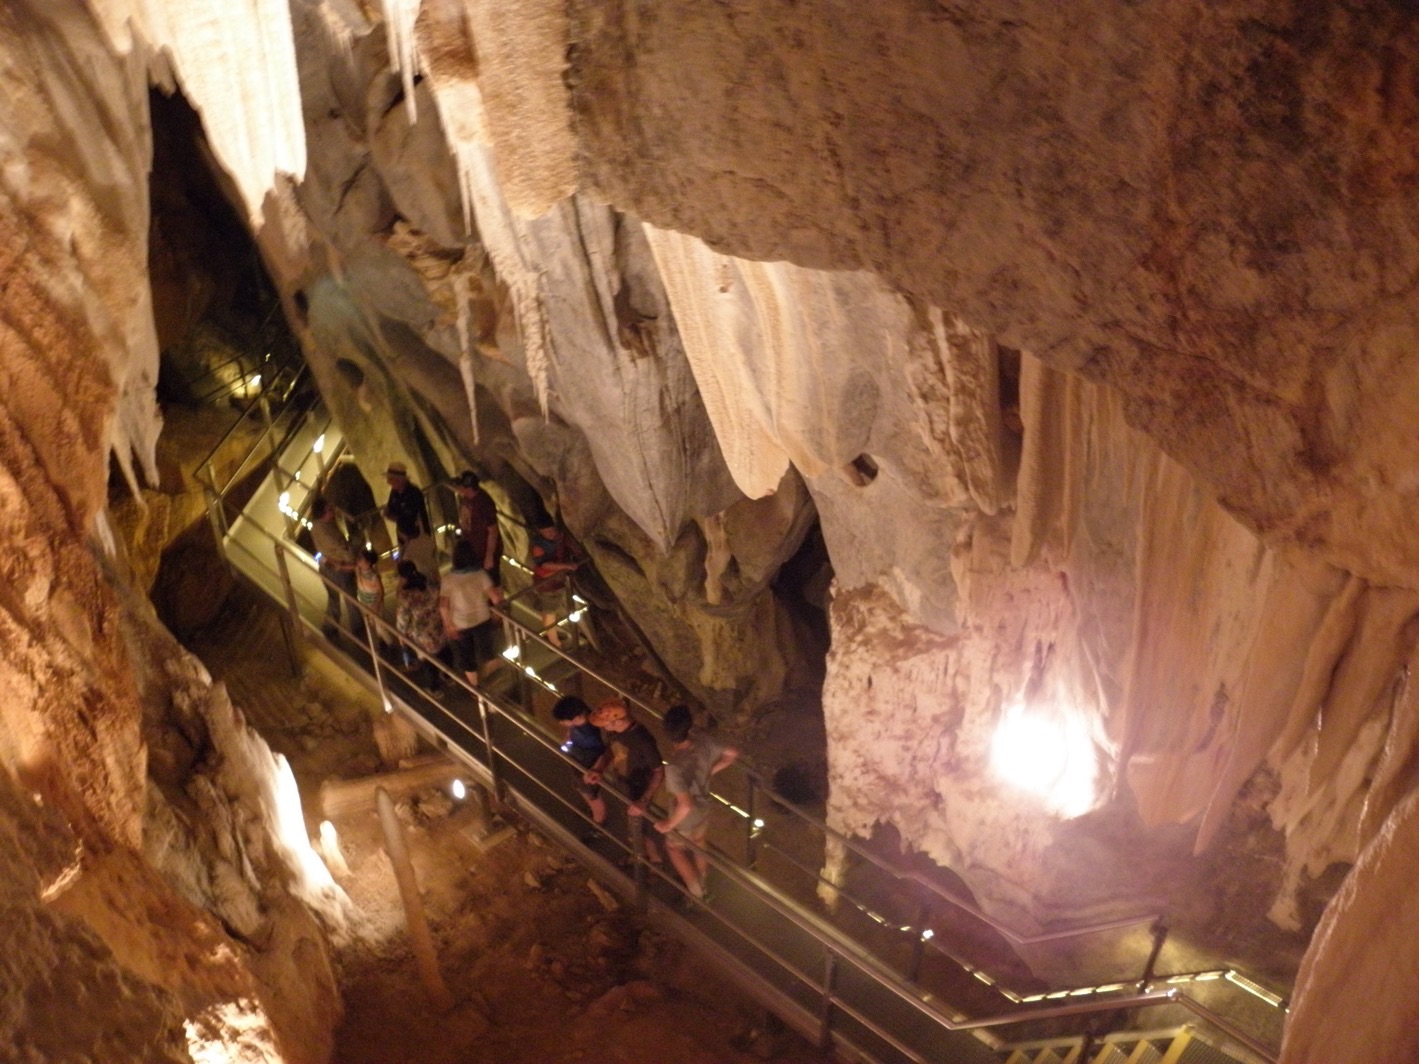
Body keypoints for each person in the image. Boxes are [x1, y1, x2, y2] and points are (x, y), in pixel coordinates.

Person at [656, 704, 738, 901]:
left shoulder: (674, 767)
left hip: (686, 818)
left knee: (674, 848)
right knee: (699, 843)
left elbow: (685, 805)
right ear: (689, 726)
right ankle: (702, 879)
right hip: (705, 807)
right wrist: (710, 771)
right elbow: (732, 754)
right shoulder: (705, 741)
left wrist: (668, 824)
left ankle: (697, 894)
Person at [589, 698, 665, 865]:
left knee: (641, 827)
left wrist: (643, 801)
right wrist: (598, 769)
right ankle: (639, 856)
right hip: (624, 784)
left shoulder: (643, 740)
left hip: (639, 788)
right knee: (632, 825)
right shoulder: (615, 731)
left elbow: (659, 771)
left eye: (605, 723)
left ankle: (654, 862)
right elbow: (611, 750)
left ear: (617, 721)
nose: (603, 727)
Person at [439, 540, 503, 688]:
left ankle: (475, 686)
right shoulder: (481, 575)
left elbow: (443, 606)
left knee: (466, 657)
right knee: (486, 650)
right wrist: (497, 616)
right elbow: (496, 598)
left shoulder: (448, 579)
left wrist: (448, 625)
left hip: (460, 623)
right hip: (482, 619)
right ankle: (490, 671)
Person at [552, 696, 606, 835]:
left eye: (563, 721)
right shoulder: (583, 722)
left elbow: (603, 753)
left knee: (592, 796)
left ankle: (598, 825)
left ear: (576, 718)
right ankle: (593, 812)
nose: (561, 723)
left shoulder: (589, 734)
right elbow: (571, 733)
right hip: (579, 763)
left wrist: (596, 769)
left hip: (587, 769)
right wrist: (568, 741)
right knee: (584, 790)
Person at [528, 520, 581, 648]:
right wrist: (566, 566)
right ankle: (554, 643)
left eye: (553, 530)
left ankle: (551, 636)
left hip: (548, 581)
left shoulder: (553, 540)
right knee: (550, 612)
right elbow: (544, 565)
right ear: (541, 532)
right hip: (549, 583)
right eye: (547, 531)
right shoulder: (539, 547)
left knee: (547, 611)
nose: (551, 533)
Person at [309, 496, 357, 636]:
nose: (333, 510)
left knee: (333, 598)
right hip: (340, 568)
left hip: (326, 567)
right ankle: (358, 626)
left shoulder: (315, 526)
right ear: (323, 513)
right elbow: (342, 549)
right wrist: (353, 561)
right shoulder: (329, 532)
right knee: (351, 597)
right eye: (330, 509)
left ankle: (330, 626)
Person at [395, 560, 445, 690]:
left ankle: (434, 689)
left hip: (421, 633)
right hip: (437, 624)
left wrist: (401, 633)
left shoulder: (406, 595)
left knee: (427, 660)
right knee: (443, 651)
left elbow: (403, 618)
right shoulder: (429, 584)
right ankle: (448, 676)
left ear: (402, 577)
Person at [383, 461, 436, 581]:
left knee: (422, 566)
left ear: (399, 480)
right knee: (408, 566)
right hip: (403, 535)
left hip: (416, 536)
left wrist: (396, 517)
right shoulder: (395, 493)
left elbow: (410, 517)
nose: (388, 482)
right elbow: (390, 511)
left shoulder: (414, 493)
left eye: (391, 479)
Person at [453, 470, 502, 585]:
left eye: (461, 485)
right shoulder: (467, 498)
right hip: (473, 548)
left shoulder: (484, 503)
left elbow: (493, 531)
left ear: (468, 488)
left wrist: (489, 556)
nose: (459, 488)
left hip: (483, 550)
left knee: (492, 581)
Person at [353, 548, 385, 648]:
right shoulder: (359, 570)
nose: (358, 560)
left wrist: (377, 604)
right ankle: (377, 645)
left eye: (361, 559)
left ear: (368, 563)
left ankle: (388, 643)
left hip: (374, 604)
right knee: (370, 626)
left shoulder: (374, 575)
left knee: (380, 627)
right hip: (364, 604)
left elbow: (381, 591)